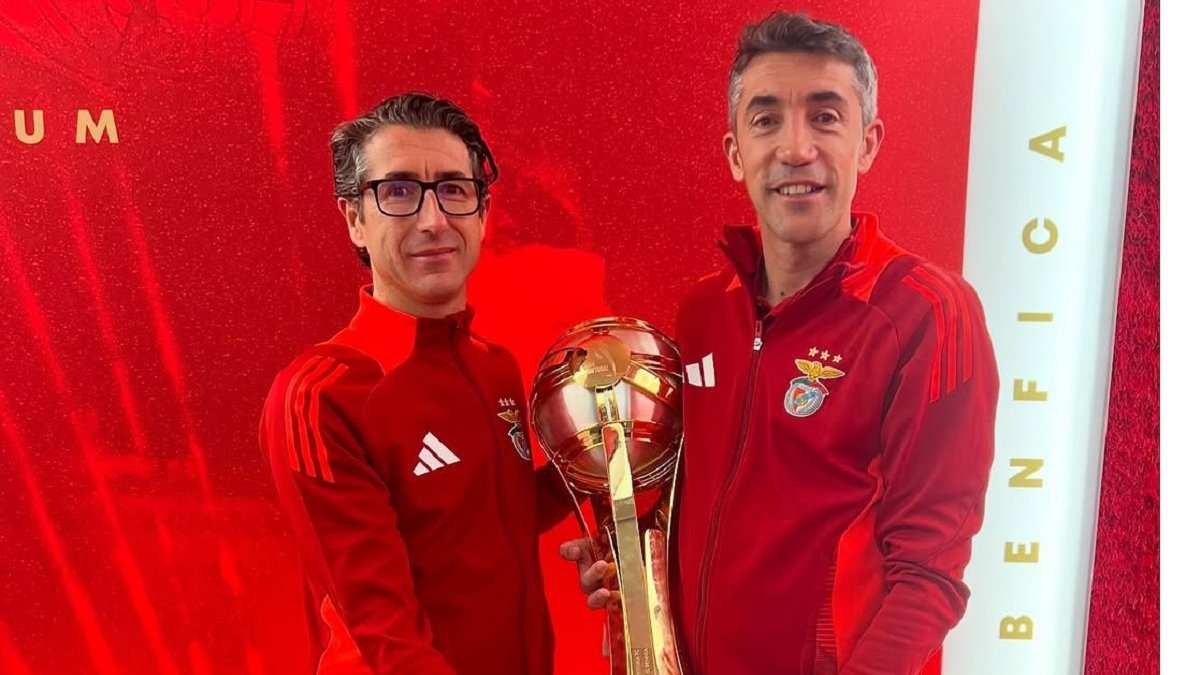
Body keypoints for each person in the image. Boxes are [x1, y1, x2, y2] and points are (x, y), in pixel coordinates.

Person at [563, 12, 1000, 675]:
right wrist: (629, 557)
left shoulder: (925, 312)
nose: (796, 148)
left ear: (868, 143)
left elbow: (929, 573)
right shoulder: (705, 310)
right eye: (766, 120)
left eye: (825, 117)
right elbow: (698, 504)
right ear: (736, 153)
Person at [260, 92, 568, 675]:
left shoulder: (496, 367)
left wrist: (605, 458)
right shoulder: (323, 394)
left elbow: (487, 522)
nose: (433, 220)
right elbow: (386, 634)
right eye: (399, 192)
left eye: (453, 189)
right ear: (355, 219)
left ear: (481, 213)